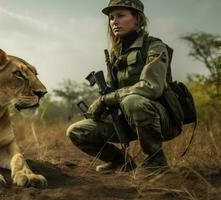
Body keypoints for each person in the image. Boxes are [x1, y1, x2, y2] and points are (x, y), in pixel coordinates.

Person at [66, 0, 183, 173]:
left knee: (132, 101)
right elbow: (111, 94)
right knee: (76, 131)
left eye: (121, 15)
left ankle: (156, 161)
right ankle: (121, 162)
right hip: (126, 119)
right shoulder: (115, 55)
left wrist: (108, 99)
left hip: (161, 119)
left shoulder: (154, 46)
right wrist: (100, 107)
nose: (114, 21)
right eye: (111, 17)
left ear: (137, 19)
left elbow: (151, 87)